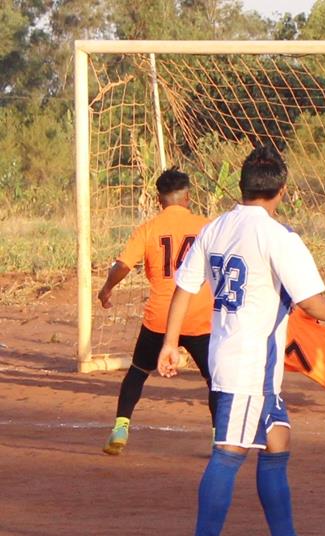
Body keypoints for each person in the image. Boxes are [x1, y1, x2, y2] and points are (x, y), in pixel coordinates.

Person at [157, 146, 325, 536]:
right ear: (282, 190)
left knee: (277, 444)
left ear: (242, 186)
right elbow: (309, 303)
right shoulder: (278, 235)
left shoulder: (215, 227)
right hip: (247, 367)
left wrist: (170, 343)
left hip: (240, 363)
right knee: (227, 455)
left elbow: (183, 288)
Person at [98, 167, 214, 456]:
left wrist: (106, 288)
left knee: (137, 372)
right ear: (188, 198)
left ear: (159, 201)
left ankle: (121, 428)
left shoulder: (148, 228)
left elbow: (122, 265)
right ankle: (219, 436)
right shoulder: (207, 226)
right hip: (200, 316)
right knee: (215, 380)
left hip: (161, 317)